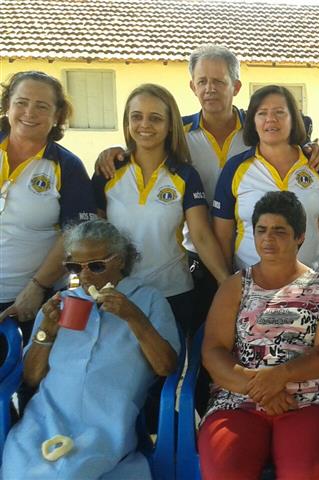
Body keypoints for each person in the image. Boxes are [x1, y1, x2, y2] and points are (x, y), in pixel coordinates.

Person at [94, 46, 319, 325]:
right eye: (202, 81)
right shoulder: (178, 133)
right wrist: (114, 152)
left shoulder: (258, 129)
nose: (210, 89)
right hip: (196, 256)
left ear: (236, 86)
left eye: (219, 81)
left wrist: (312, 148)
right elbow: (144, 144)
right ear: (192, 86)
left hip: (252, 255)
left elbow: (290, 147)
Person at [1, 219, 180, 479]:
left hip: (106, 423)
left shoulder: (148, 298)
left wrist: (133, 317)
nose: (84, 276)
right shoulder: (61, 302)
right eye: (74, 267)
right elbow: (31, 378)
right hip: (45, 419)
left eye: (95, 266)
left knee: (69, 472)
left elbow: (166, 367)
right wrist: (46, 332)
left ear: (119, 260)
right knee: (20, 470)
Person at [199, 191, 319, 479]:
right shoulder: (235, 286)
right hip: (237, 401)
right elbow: (213, 350)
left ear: (299, 237)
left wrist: (281, 376)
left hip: (306, 402)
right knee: (226, 471)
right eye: (261, 230)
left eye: (280, 231)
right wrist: (259, 388)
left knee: (301, 472)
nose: (268, 239)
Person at [92, 83, 228, 335]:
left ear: (169, 125)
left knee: (171, 369)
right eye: (137, 117)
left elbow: (200, 235)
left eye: (155, 118)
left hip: (173, 292)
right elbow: (92, 236)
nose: (145, 125)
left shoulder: (185, 174)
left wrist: (224, 281)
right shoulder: (108, 171)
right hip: (119, 293)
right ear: (127, 122)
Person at [213, 85, 319, 291]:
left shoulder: (315, 165)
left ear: (293, 119)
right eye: (262, 113)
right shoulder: (235, 168)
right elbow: (223, 235)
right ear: (253, 122)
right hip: (251, 290)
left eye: (280, 112)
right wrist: (228, 286)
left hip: (310, 289)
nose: (270, 119)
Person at [0, 71, 96, 333]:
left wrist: (37, 287)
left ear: (57, 117)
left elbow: (75, 235)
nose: (29, 112)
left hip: (27, 302)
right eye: (21, 102)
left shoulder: (67, 166)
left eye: (42, 106)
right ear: (7, 105)